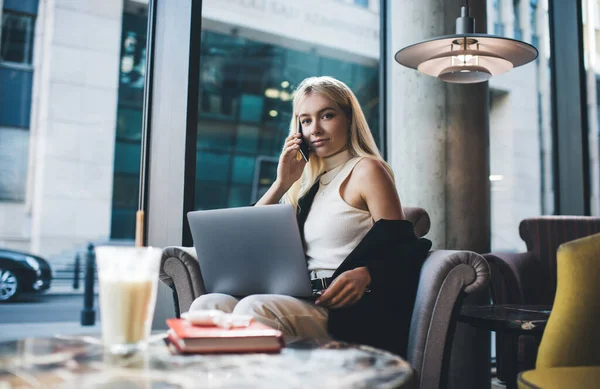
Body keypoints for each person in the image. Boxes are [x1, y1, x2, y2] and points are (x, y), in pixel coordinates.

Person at [189, 76, 431, 356]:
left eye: (326, 115)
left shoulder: (367, 170)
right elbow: (252, 237)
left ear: (349, 119)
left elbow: (404, 245)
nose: (315, 129)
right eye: (305, 121)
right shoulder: (308, 186)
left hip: (346, 311)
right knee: (208, 306)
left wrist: (368, 273)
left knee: (253, 309)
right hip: (302, 298)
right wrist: (282, 183)